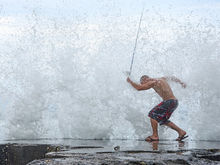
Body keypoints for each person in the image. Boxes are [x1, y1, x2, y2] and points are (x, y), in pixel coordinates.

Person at [127, 75, 188, 141]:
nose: (146, 85)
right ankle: (181, 132)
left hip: (169, 101)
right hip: (174, 102)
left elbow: (139, 88)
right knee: (162, 120)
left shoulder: (152, 82)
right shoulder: (162, 79)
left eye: (143, 83)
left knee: (152, 114)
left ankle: (155, 135)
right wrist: (181, 82)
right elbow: (172, 77)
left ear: (145, 79)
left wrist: (130, 81)